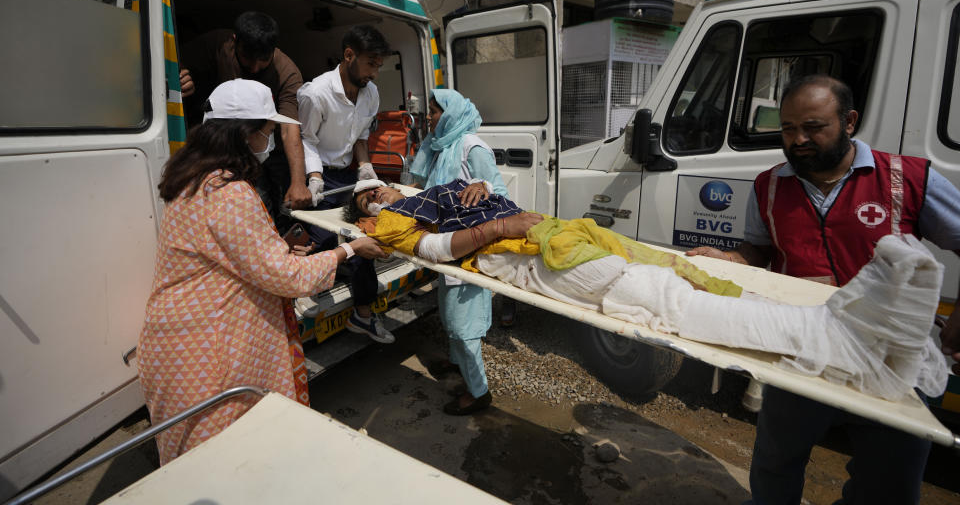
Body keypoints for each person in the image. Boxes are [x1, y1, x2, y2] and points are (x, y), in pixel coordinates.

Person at [345, 178, 946, 407]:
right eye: (371, 198)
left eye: (382, 188)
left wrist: (482, 198)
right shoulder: (402, 225)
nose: (383, 196)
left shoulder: (441, 195)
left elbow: (471, 213)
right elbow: (433, 252)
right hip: (547, 263)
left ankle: (839, 326)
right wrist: (499, 226)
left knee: (678, 278)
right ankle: (839, 337)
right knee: (672, 301)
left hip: (564, 242)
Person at [686, 74, 960, 505]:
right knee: (776, 460)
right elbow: (757, 250)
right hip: (803, 349)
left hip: (888, 361)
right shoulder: (769, 184)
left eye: (813, 127)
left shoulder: (906, 178)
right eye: (789, 129)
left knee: (888, 482)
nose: (798, 140)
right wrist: (733, 262)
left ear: (849, 121)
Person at [138, 79, 385, 464]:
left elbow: (229, 251)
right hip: (211, 352)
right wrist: (348, 249)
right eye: (267, 132)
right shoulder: (228, 192)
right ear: (244, 134)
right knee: (224, 462)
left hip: (183, 340)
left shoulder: (193, 177)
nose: (269, 141)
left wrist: (278, 247)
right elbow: (288, 277)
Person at [406, 89, 510, 414]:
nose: (429, 118)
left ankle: (479, 393)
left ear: (450, 114)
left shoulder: (470, 147)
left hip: (467, 248)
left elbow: (501, 193)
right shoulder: (439, 147)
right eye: (429, 113)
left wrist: (485, 187)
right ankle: (458, 366)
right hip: (445, 246)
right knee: (449, 310)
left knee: (464, 324)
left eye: (435, 112)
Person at [297, 24, 393, 343]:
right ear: (349, 55)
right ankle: (307, 299)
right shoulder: (316, 93)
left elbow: (361, 136)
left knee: (362, 237)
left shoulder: (371, 93)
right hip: (318, 174)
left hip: (348, 173)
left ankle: (362, 315)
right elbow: (306, 139)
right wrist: (313, 177)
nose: (374, 74)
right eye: (370, 64)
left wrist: (365, 166)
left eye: (378, 66)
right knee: (321, 242)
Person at [178, 11, 311, 224]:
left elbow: (289, 129)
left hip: (261, 152)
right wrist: (181, 75)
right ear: (234, 41)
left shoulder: (288, 73)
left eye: (263, 61)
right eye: (248, 59)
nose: (255, 68)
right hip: (218, 146)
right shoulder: (217, 43)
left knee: (265, 201)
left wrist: (298, 181)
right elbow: (174, 58)